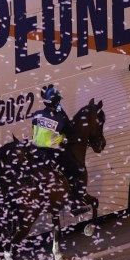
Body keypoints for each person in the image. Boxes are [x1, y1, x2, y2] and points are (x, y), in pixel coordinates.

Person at [31, 85, 89, 214]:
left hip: (34, 151)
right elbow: (70, 132)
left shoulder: (36, 115)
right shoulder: (60, 118)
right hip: (51, 153)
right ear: (57, 102)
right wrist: (61, 111)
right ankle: (75, 204)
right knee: (77, 170)